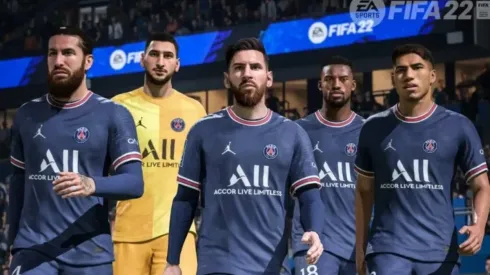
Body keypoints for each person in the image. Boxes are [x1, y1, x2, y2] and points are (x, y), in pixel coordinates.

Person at [163, 37, 324, 275]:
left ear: (268, 78)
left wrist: (314, 230)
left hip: (271, 265)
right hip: (216, 264)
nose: (247, 73)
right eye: (239, 68)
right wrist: (172, 261)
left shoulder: (292, 134)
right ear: (227, 79)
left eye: (255, 67)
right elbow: (185, 198)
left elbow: (310, 196)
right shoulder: (203, 131)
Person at [7, 26, 144, 275]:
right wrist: (12, 242)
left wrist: (91, 184)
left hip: (90, 252)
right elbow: (18, 183)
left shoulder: (114, 114)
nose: (58, 61)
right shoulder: (27, 114)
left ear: (88, 61)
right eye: (52, 53)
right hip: (33, 249)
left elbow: (134, 183)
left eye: (68, 53)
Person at [354, 44, 490, 275]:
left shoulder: (459, 126)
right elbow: (364, 192)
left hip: (440, 250)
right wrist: (360, 250)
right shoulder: (372, 128)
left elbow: (481, 186)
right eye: (401, 70)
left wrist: (478, 226)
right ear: (393, 78)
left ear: (433, 76)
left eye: (417, 67)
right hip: (387, 249)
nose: (408, 75)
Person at [111, 32, 206, 275]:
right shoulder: (117, 107)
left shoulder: (195, 111)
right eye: (154, 54)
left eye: (168, 56)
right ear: (142, 59)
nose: (160, 62)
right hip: (128, 232)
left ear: (178, 64)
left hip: (177, 232)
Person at [293, 56, 363, 275]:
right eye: (329, 79)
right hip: (312, 244)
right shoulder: (297, 131)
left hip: (357, 246)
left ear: (353, 85)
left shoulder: (369, 131)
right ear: (320, 84)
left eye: (343, 79)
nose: (336, 84)